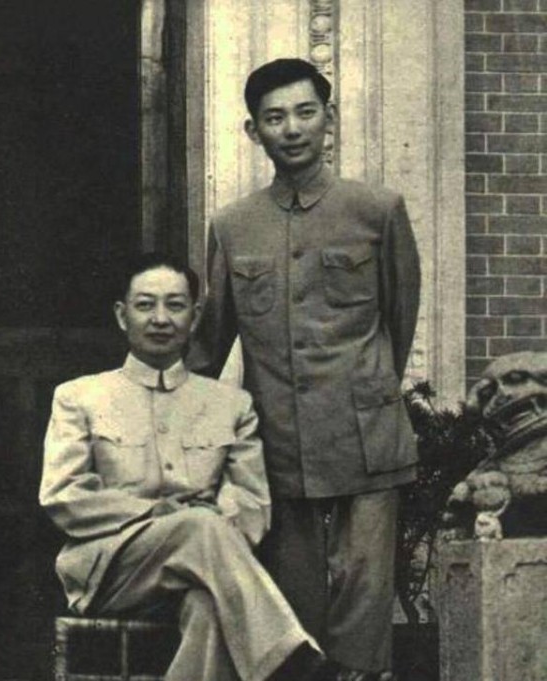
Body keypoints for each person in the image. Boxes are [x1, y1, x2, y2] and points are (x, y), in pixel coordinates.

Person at [188, 58, 421, 681]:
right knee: (292, 613)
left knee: (364, 606)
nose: (291, 129)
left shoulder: (377, 210)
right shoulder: (232, 226)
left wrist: (370, 392)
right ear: (253, 130)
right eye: (274, 118)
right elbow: (210, 344)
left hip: (366, 435)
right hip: (278, 442)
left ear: (329, 119)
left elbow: (399, 321)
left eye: (304, 112)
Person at [39, 252, 340, 681]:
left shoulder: (230, 405)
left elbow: (251, 503)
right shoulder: (80, 397)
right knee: (199, 526)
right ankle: (288, 659)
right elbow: (64, 494)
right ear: (122, 316)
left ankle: (279, 660)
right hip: (112, 570)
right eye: (146, 305)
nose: (161, 318)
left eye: (175, 305)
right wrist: (157, 514)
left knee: (209, 606)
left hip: (209, 565)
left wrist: (213, 526)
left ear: (195, 317)